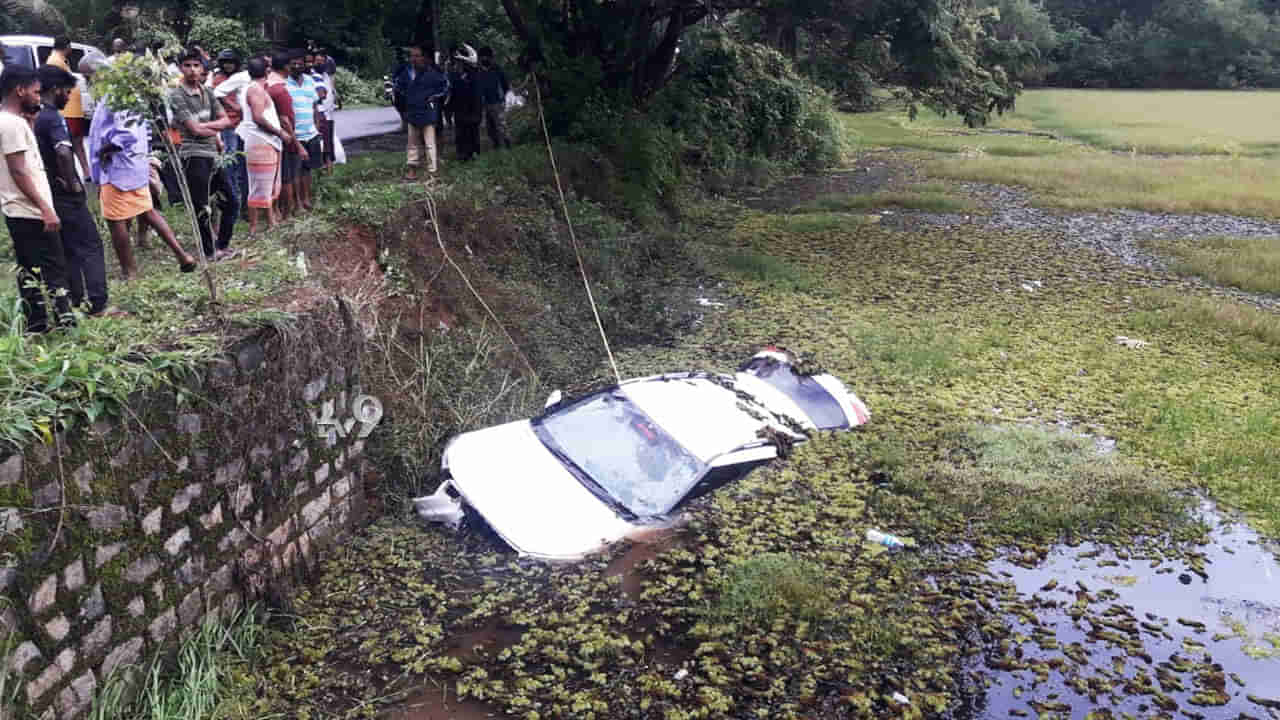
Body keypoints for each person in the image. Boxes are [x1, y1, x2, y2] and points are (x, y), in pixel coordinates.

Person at [89, 91, 197, 279]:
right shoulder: (131, 96)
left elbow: (125, 133)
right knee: (148, 211)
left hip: (117, 168)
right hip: (134, 165)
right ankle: (182, 255)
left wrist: (106, 149)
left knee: (116, 221)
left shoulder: (116, 97)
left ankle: (129, 272)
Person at [1, 67, 72, 333]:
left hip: (19, 209)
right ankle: (65, 324)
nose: (39, 98)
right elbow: (19, 171)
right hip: (29, 210)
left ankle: (38, 326)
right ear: (19, 90)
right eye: (35, 91)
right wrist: (45, 208)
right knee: (53, 269)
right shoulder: (11, 125)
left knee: (30, 272)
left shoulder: (12, 122)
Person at [34, 66, 109, 316]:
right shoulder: (53, 117)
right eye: (67, 92)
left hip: (49, 192)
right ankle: (97, 301)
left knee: (68, 248)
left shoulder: (36, 116)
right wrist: (72, 182)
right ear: (55, 90)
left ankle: (76, 299)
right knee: (89, 245)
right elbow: (64, 151)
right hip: (65, 194)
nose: (68, 97)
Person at [168, 48, 238, 261]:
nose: (192, 70)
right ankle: (209, 252)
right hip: (193, 155)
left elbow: (227, 121)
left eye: (196, 65)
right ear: (181, 69)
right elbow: (195, 130)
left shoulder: (208, 93)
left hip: (213, 154)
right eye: (187, 65)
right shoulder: (177, 95)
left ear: (202, 68)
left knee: (231, 202)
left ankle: (222, 245)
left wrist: (206, 127)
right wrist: (212, 127)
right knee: (202, 207)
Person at [236, 56, 288, 235]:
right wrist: (280, 132)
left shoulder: (254, 88)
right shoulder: (255, 90)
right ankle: (254, 227)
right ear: (267, 71)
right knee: (259, 185)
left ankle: (270, 222)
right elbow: (258, 118)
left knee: (265, 184)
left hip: (263, 141)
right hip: (261, 140)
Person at [395, 44, 449, 179]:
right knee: (412, 144)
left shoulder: (432, 74)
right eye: (412, 56)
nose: (414, 59)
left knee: (430, 144)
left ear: (423, 58)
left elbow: (445, 87)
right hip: (412, 112)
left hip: (427, 113)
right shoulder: (406, 74)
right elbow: (398, 88)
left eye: (417, 56)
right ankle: (412, 170)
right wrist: (406, 101)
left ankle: (432, 172)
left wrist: (434, 97)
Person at [44, 36, 93, 179]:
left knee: (77, 141)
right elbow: (58, 85)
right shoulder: (55, 61)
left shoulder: (60, 60)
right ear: (67, 46)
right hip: (68, 110)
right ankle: (76, 174)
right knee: (73, 142)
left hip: (72, 108)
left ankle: (85, 172)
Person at [211, 49, 246, 218]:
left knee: (240, 162)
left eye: (231, 62)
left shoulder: (238, 77)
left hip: (241, 124)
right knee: (230, 162)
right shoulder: (219, 79)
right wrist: (235, 107)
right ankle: (232, 199)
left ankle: (239, 199)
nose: (228, 65)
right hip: (228, 124)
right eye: (225, 62)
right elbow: (219, 96)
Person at [266, 51, 301, 221]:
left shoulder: (266, 84)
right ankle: (287, 213)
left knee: (278, 176)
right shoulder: (279, 89)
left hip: (272, 136)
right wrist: (295, 142)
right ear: (286, 67)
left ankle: (278, 210)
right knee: (287, 177)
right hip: (284, 137)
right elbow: (285, 120)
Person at [285, 50, 321, 211]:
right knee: (295, 172)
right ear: (289, 66)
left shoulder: (309, 80)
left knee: (307, 170)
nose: (297, 66)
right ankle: (297, 203)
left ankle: (307, 199)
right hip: (295, 135)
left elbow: (314, 106)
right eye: (294, 64)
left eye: (300, 63)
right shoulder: (284, 83)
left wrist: (317, 128)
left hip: (311, 133)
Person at [450, 44, 484, 163]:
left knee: (472, 133)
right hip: (460, 112)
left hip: (472, 111)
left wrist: (476, 112)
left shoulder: (474, 76)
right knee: (461, 134)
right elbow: (453, 94)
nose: (457, 65)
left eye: (459, 62)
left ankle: (473, 154)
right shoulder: (456, 76)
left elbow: (477, 96)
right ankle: (463, 155)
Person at [476, 47, 511, 150]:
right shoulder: (479, 71)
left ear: (490, 57)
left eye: (486, 57)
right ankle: (496, 144)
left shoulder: (497, 69)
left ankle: (507, 143)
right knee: (490, 126)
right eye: (482, 57)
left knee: (501, 125)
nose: (484, 59)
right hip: (486, 102)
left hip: (498, 101)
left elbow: (505, 85)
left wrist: (502, 97)